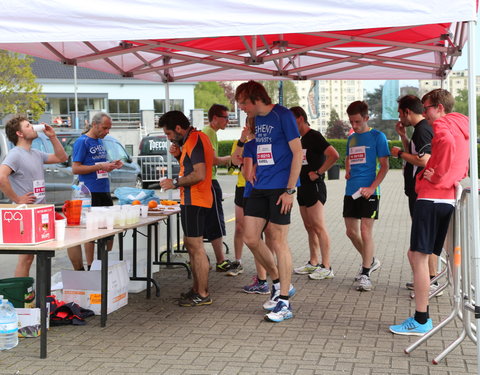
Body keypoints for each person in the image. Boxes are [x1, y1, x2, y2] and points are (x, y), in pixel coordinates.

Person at [390, 89, 469, 336]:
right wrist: (447, 175)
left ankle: (421, 318)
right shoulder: (462, 124)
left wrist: (436, 173)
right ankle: (451, 299)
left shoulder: (444, 124)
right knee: (422, 254)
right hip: (446, 198)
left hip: (432, 197)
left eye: (426, 108)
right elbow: (462, 158)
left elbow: (443, 145)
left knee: (418, 256)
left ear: (439, 107)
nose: (423, 113)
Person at [235, 80, 303, 322]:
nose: (241, 107)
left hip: (280, 188)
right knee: (250, 237)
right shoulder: (258, 120)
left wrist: (290, 190)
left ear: (255, 99)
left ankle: (284, 301)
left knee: (278, 240)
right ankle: (277, 281)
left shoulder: (282, 115)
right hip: (259, 186)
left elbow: (297, 152)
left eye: (243, 103)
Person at [159, 110, 214, 307]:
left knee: (195, 247)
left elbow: (199, 173)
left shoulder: (195, 139)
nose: (168, 138)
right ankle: (197, 289)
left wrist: (174, 182)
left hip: (195, 199)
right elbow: (191, 167)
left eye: (169, 134)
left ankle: (203, 293)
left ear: (179, 128)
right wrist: (179, 156)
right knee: (191, 245)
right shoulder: (192, 139)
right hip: (194, 199)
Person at [0, 116, 67, 277]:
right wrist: (17, 199)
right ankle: (20, 297)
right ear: (19, 133)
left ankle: (37, 295)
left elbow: (61, 158)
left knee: (40, 255)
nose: (33, 127)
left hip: (40, 211)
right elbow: (2, 176)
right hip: (25, 213)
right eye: (28, 126)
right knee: (26, 258)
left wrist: (52, 136)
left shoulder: (35, 153)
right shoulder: (15, 154)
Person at [389, 95, 440, 297]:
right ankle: (427, 279)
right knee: (423, 236)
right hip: (417, 191)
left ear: (407, 112)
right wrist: (402, 137)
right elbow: (416, 152)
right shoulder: (419, 130)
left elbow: (425, 160)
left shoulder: (422, 130)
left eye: (400, 114)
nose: (400, 118)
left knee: (424, 238)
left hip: (422, 192)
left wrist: (399, 154)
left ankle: (431, 282)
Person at [67, 113, 123, 271]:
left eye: (109, 128)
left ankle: (103, 263)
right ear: (95, 125)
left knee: (109, 230)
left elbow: (100, 163)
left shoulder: (100, 141)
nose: (107, 131)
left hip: (104, 190)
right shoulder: (82, 141)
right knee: (91, 232)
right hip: (89, 192)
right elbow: (75, 168)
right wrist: (100, 167)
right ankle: (92, 266)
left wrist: (112, 165)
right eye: (105, 128)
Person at [343, 100, 390, 292]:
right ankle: (370, 260)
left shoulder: (378, 137)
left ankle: (365, 273)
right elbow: (348, 156)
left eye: (357, 122)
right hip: (350, 191)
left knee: (365, 231)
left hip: (370, 192)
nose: (354, 126)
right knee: (350, 232)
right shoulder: (351, 138)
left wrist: (371, 187)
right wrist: (347, 170)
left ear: (366, 118)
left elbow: (385, 166)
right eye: (351, 122)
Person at [290, 106, 339, 280]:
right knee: (309, 227)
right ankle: (313, 262)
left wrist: (318, 172)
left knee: (318, 226)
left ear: (300, 119)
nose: (289, 124)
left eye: (292, 120)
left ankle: (326, 266)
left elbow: (334, 155)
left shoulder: (314, 136)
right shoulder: (298, 139)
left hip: (315, 187)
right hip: (302, 187)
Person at [231, 117, 270, 294]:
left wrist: (253, 166)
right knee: (269, 239)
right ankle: (272, 279)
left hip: (253, 193)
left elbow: (247, 174)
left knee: (255, 238)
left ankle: (264, 279)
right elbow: (234, 161)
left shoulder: (251, 146)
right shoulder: (272, 143)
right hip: (271, 191)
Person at [202, 104, 233, 274]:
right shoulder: (209, 132)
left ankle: (203, 259)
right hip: (210, 182)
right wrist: (231, 158)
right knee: (215, 222)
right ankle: (220, 260)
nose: (228, 121)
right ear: (215, 118)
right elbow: (213, 160)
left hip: (205, 182)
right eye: (226, 117)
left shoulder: (207, 132)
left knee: (205, 223)